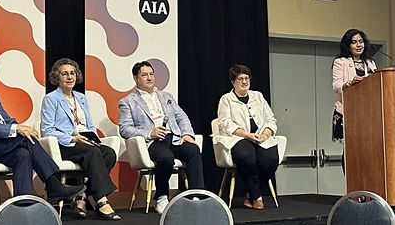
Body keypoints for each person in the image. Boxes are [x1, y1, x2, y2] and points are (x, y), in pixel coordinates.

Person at [0, 63, 85, 203]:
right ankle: (53, 184)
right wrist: (17, 129)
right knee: (23, 138)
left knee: (22, 154)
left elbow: (7, 120)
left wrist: (19, 127)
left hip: (1, 147)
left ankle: (23, 205)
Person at [118, 60, 204, 214]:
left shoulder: (166, 96)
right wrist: (149, 133)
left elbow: (181, 117)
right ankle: (161, 196)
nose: (149, 78)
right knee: (166, 158)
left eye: (151, 74)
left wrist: (187, 134)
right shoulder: (127, 102)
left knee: (193, 150)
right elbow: (124, 129)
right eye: (144, 75)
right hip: (152, 142)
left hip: (173, 137)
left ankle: (195, 195)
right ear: (135, 78)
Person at [40, 58, 121, 221]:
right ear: (57, 77)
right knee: (92, 153)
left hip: (84, 141)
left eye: (72, 73)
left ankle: (82, 195)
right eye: (65, 74)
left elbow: (89, 125)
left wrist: (92, 137)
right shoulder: (51, 99)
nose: (70, 77)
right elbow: (47, 130)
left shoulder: (81, 97)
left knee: (109, 153)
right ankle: (101, 200)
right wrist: (73, 138)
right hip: (65, 144)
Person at [214, 64, 279, 210]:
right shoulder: (227, 99)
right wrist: (246, 135)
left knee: (270, 160)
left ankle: (251, 193)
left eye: (247, 78)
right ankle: (257, 197)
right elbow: (225, 123)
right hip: (239, 137)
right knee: (246, 157)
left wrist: (265, 134)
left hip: (261, 137)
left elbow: (271, 119)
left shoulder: (258, 96)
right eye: (240, 79)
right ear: (233, 82)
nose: (244, 81)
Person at [332, 29, 377, 172]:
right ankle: (351, 185)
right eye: (354, 42)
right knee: (351, 150)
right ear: (348, 45)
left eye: (361, 41)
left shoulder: (370, 63)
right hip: (348, 112)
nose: (358, 45)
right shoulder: (341, 62)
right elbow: (336, 85)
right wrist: (350, 83)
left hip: (367, 113)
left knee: (366, 149)